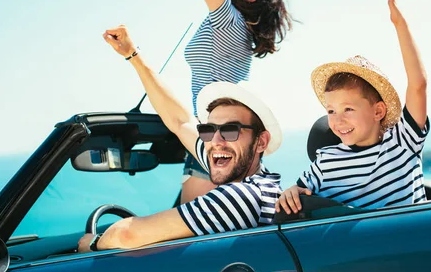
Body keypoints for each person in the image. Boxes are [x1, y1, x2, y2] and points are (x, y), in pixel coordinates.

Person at [78, 25, 282, 252]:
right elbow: (180, 120)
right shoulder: (249, 175)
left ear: (261, 142)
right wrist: (132, 55)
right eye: (208, 130)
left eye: (230, 130)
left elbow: (126, 235)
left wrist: (93, 243)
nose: (216, 142)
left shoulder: (242, 197)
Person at [160, 0, 293, 203]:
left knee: (185, 244)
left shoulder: (227, 20)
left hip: (214, 144)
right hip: (217, 140)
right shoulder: (238, 20)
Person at [275, 0, 429, 214]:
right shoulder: (325, 162)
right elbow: (296, 193)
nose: (337, 120)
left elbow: (418, 84)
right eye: (331, 111)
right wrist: (290, 192)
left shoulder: (402, 143)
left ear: (378, 111)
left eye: (348, 109)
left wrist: (399, 24)